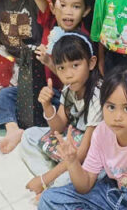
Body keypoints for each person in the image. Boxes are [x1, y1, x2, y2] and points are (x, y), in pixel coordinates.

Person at [39, 67, 127, 210]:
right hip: (116, 191)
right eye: (111, 107)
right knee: (50, 198)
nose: (117, 117)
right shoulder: (102, 131)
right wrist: (72, 162)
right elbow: (85, 186)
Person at [0, 0, 91, 154]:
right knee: (5, 95)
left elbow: (74, 80)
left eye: (76, 7)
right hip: (43, 88)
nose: (68, 12)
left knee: (65, 115)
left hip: (65, 96)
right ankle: (13, 129)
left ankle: (39, 126)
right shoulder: (51, 21)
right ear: (53, 8)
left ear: (85, 11)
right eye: (62, 5)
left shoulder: (79, 41)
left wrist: (49, 62)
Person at [20, 34, 104, 199]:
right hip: (72, 142)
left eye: (75, 65)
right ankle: (54, 179)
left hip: (89, 153)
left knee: (75, 178)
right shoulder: (69, 88)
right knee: (29, 135)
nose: (68, 74)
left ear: (91, 63)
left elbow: (83, 154)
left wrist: (44, 179)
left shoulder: (98, 94)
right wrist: (47, 106)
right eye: (61, 68)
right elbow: (57, 128)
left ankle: (53, 181)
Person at [0, 0, 56, 148]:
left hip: (33, 64)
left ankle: (39, 123)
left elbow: (45, 10)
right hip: (10, 57)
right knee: (1, 95)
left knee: (29, 95)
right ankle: (12, 128)